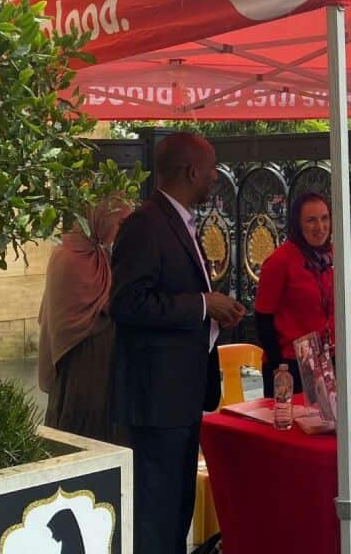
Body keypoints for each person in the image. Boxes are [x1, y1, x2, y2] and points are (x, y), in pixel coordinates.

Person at [109, 132, 245, 552]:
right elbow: (128, 304)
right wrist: (204, 304)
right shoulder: (145, 224)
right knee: (158, 515)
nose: (215, 178)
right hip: (157, 400)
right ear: (192, 171)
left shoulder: (178, 221)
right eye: (211, 170)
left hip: (181, 394)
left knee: (176, 511)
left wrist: (214, 313)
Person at [37, 196, 132, 445]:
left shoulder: (99, 253)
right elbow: (67, 317)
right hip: (79, 360)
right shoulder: (67, 255)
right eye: (119, 222)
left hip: (107, 361)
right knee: (80, 428)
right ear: (101, 217)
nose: (122, 230)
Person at [254, 191, 334, 396]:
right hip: (289, 363)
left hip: (327, 359)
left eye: (325, 218)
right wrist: (280, 367)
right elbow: (263, 319)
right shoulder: (280, 261)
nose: (320, 227)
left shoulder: (334, 255)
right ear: (297, 224)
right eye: (311, 220)